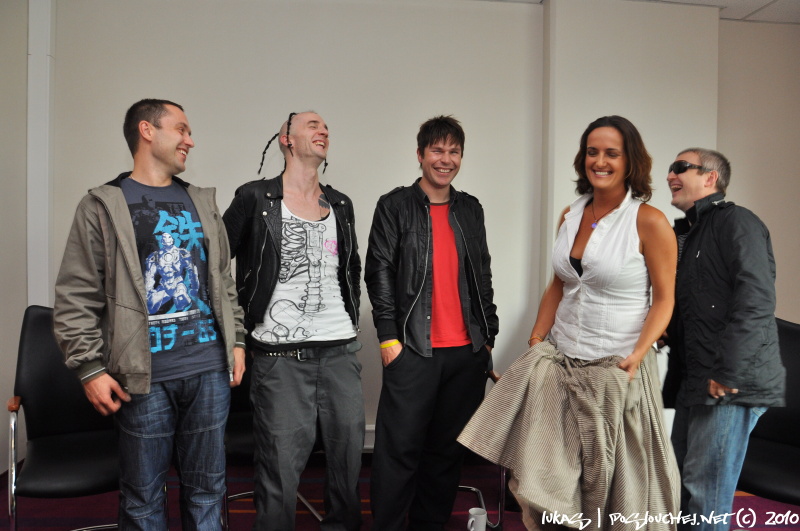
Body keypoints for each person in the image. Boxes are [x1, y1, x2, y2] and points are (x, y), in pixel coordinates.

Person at [459, 116, 680, 530]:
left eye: (612, 153)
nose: (600, 161)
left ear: (630, 161)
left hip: (618, 369)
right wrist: (536, 338)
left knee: (618, 486)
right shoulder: (571, 214)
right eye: (592, 152)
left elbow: (665, 299)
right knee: (551, 478)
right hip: (562, 362)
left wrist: (637, 355)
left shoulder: (649, 221)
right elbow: (560, 284)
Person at [54, 98, 246, 530]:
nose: (190, 140)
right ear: (147, 130)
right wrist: (88, 367)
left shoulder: (201, 202)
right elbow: (76, 294)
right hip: (143, 378)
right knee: (143, 501)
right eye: (181, 129)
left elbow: (221, 279)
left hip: (209, 372)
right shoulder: (102, 205)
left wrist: (236, 340)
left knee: (208, 492)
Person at [223, 111, 364, 531]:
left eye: (326, 127)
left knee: (347, 466)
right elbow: (213, 265)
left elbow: (350, 268)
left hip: (341, 352)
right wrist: (236, 334)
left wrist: (350, 322)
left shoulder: (340, 203)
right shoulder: (255, 198)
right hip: (280, 358)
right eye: (312, 125)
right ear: (286, 138)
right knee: (279, 470)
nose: (324, 131)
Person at [365, 115, 499, 530]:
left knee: (445, 453)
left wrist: (488, 336)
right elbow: (378, 272)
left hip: (465, 354)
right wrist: (388, 338)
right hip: (413, 349)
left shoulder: (470, 209)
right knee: (398, 452)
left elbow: (482, 274)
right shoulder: (394, 206)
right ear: (420, 154)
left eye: (454, 151)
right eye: (437, 150)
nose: (446, 159)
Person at [662, 148, 785, 531]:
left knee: (706, 497)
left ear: (710, 177)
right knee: (681, 488)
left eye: (681, 167)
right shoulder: (688, 232)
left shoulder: (737, 221)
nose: (670, 175)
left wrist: (729, 372)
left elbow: (757, 300)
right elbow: (698, 304)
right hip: (697, 379)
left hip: (728, 381)